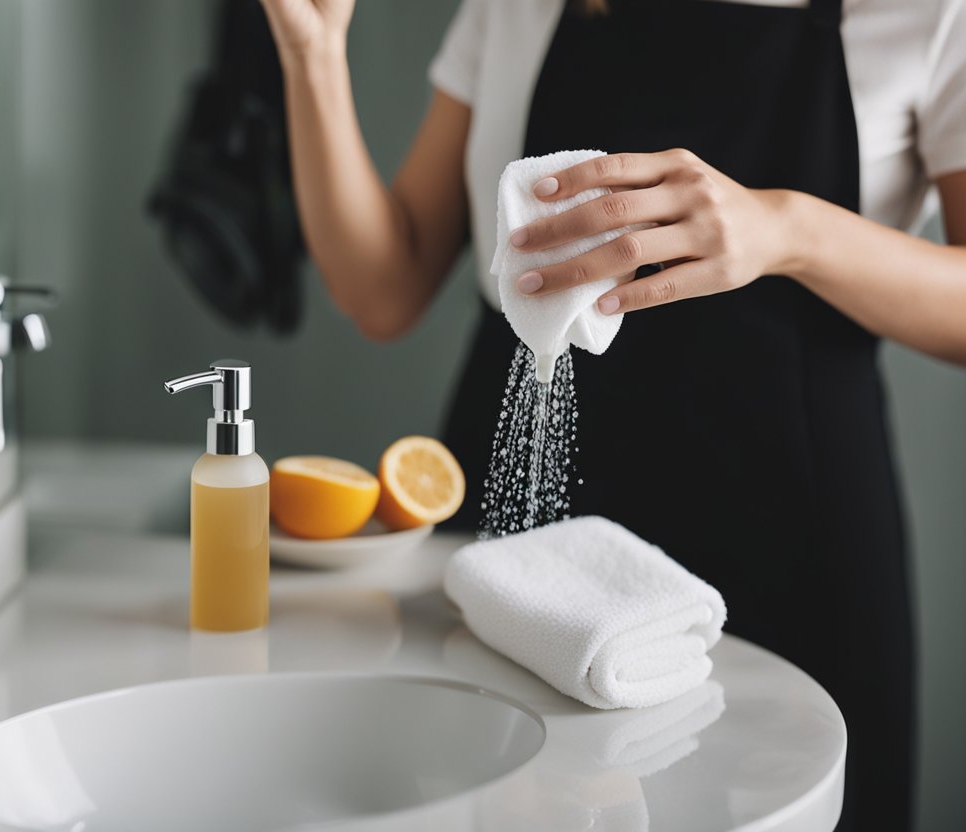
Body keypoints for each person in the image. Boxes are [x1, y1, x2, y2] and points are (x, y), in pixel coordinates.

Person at [258, 0, 966, 828]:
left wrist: (789, 228)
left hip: (794, 517)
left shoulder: (927, 12)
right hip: (532, 518)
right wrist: (314, 53)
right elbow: (384, 287)